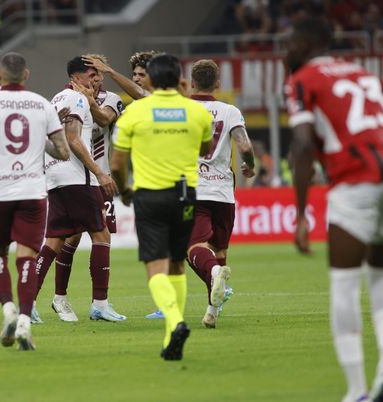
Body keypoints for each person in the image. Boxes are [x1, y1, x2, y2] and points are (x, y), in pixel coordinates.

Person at [286, 17, 383, 402]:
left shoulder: (302, 80)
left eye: (291, 42)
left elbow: (301, 146)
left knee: (345, 286)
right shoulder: (362, 75)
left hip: (356, 182)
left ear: (305, 45)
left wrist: (300, 214)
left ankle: (357, 388)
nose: (287, 48)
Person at [112, 53, 213, 360]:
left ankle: (175, 322)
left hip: (149, 197)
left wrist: (126, 191)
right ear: (180, 78)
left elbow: (117, 164)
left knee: (155, 267)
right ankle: (172, 338)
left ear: (152, 80)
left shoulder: (135, 113)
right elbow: (205, 149)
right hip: (185, 195)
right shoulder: (196, 112)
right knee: (177, 264)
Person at [0, 52, 70, 350]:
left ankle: (9, 310)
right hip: (32, 191)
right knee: (27, 257)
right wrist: (43, 139)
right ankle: (25, 322)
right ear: (26, 75)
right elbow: (63, 152)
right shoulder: (41, 104)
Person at [145, 59, 256, 327]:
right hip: (224, 193)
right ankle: (212, 313)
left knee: (192, 247)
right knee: (219, 249)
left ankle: (216, 274)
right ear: (218, 83)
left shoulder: (182, 109)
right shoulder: (230, 111)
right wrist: (250, 165)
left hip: (193, 189)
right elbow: (244, 145)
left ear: (192, 82)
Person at [32, 56, 125, 323]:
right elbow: (72, 138)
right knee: (101, 235)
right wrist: (99, 173)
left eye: (100, 75)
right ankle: (100, 304)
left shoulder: (56, 100)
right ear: (77, 78)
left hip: (56, 177)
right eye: (92, 74)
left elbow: (102, 120)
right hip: (79, 177)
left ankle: (27, 303)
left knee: (55, 240)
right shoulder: (77, 99)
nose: (97, 79)